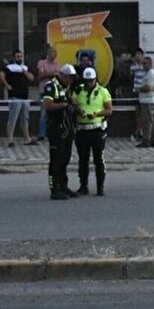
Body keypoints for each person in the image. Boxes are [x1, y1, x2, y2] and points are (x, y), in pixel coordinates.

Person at [73, 66, 113, 196]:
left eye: (91, 80)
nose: (89, 83)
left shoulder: (103, 91)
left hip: (97, 130)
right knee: (83, 160)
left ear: (95, 79)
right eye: (87, 81)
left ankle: (100, 186)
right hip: (82, 130)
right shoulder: (78, 91)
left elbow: (109, 110)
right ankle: (83, 186)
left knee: (99, 160)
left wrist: (97, 114)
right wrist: (79, 111)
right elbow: (73, 105)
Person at [42, 63, 77, 200]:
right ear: (62, 75)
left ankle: (63, 185)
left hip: (66, 128)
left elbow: (68, 100)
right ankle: (54, 188)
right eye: (69, 77)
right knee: (55, 161)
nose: (71, 80)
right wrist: (63, 105)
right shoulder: (52, 86)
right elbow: (47, 104)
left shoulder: (65, 86)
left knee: (65, 158)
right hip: (55, 128)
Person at [4, 47, 36, 147]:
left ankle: (26, 138)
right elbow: (1, 75)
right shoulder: (9, 67)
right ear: (14, 58)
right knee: (13, 118)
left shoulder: (25, 67)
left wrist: (25, 71)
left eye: (21, 56)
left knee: (25, 118)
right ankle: (10, 140)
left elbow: (31, 78)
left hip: (25, 96)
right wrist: (7, 85)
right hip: (14, 96)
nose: (19, 58)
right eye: (18, 56)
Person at [35, 45, 61, 142]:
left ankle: (54, 133)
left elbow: (59, 76)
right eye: (52, 52)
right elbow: (41, 75)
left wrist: (51, 75)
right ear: (48, 53)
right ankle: (41, 134)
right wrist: (52, 74)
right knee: (43, 113)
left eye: (55, 52)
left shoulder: (58, 64)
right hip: (44, 91)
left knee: (55, 114)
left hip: (55, 91)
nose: (54, 54)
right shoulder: (41, 63)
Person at [136, 54, 154, 147]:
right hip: (145, 100)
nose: (143, 65)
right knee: (150, 121)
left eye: (145, 63)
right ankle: (153, 140)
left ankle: (146, 140)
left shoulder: (151, 74)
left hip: (148, 101)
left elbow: (149, 87)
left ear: (150, 64)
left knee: (147, 121)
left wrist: (139, 89)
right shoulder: (147, 73)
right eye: (142, 63)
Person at [129, 48, 146, 143]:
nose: (137, 56)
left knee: (143, 114)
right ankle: (140, 132)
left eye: (139, 54)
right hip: (136, 91)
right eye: (136, 54)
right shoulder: (133, 66)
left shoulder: (145, 66)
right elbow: (131, 76)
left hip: (143, 92)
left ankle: (137, 132)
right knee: (138, 113)